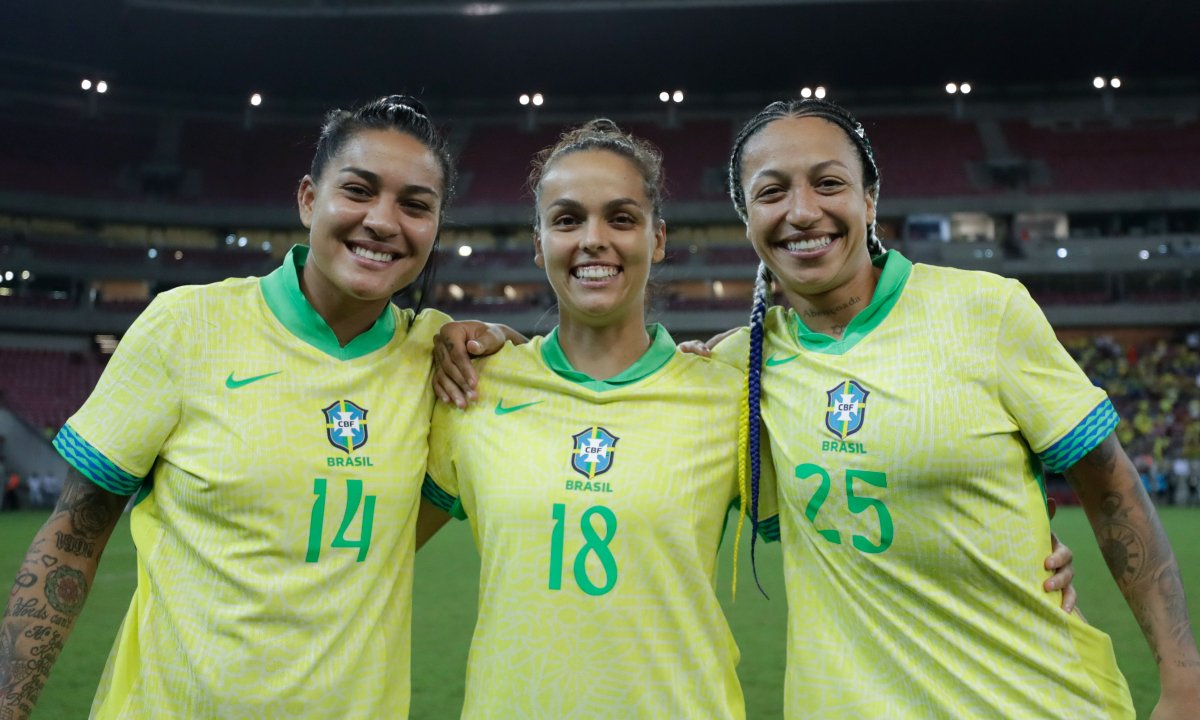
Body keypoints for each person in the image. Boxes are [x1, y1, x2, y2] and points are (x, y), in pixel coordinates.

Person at [423, 119, 1078, 718]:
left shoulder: (736, 388)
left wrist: (1017, 547)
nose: (594, 238)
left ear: (657, 238)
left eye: (621, 218)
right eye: (566, 220)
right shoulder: (474, 385)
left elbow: (865, 505)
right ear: (538, 243)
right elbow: (379, 540)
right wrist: (481, 338)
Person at [0, 95, 509, 720]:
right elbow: (71, 539)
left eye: (415, 205)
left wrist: (495, 336)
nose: (383, 221)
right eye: (358, 190)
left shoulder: (438, 363)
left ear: (434, 228)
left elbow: (558, 376)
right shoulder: (187, 326)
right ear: (308, 199)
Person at [717, 98, 1199, 718]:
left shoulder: (984, 310)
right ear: (747, 218)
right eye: (771, 192)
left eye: (829, 183)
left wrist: (1185, 681)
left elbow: (1111, 488)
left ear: (870, 200)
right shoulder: (736, 369)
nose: (803, 210)